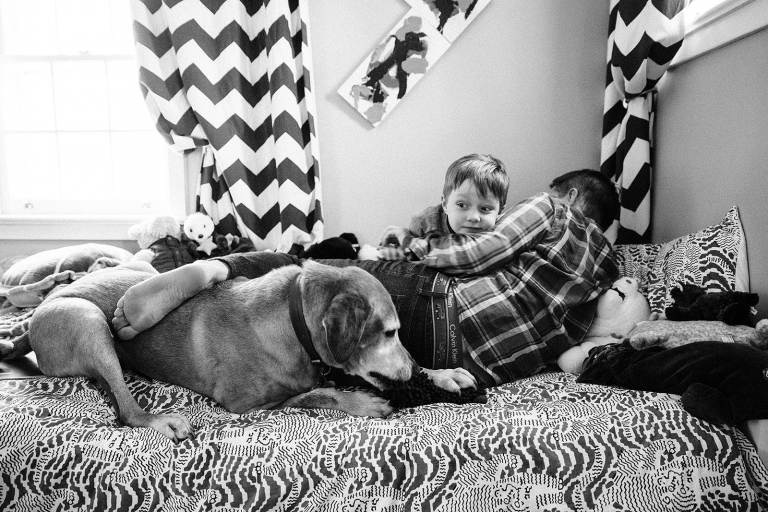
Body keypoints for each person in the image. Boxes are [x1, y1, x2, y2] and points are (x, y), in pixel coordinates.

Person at [113, 169, 620, 387]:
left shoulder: (551, 209)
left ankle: (209, 267)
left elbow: (477, 254)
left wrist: (419, 252)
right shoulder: (605, 278)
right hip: (466, 365)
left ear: (571, 196)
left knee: (309, 273)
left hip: (438, 303)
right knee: (329, 324)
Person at [380, 154, 508, 261]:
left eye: (485, 209)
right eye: (462, 205)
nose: (474, 217)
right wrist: (398, 251)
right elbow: (411, 252)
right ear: (445, 204)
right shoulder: (425, 223)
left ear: (499, 211)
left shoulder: (501, 232)